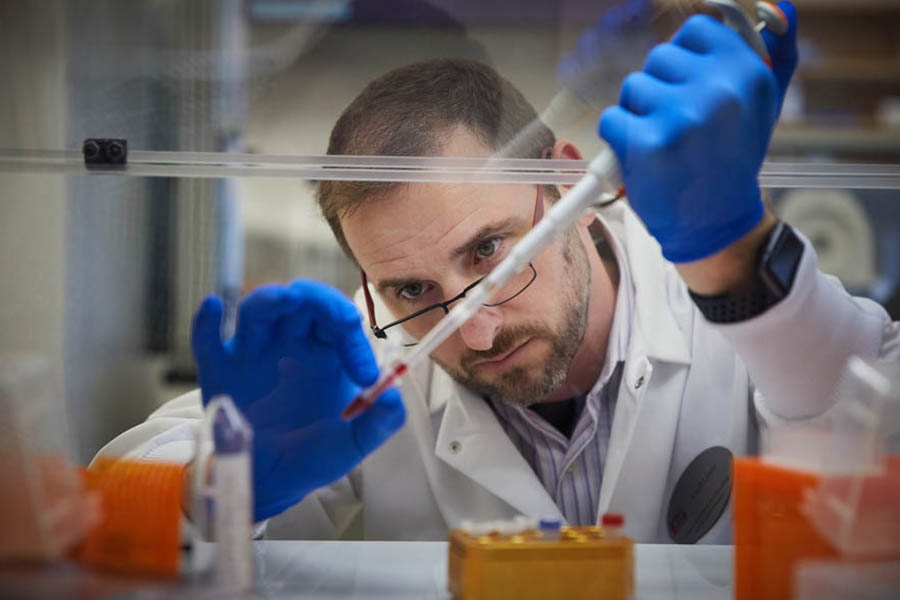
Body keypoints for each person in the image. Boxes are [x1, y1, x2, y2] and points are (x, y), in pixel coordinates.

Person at [97, 2, 899, 543]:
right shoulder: (368, 360)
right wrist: (228, 479)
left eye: (490, 251)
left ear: (568, 184)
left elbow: (880, 430)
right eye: (412, 290)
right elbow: (102, 509)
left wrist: (741, 266)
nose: (471, 327)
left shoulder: (719, 295)